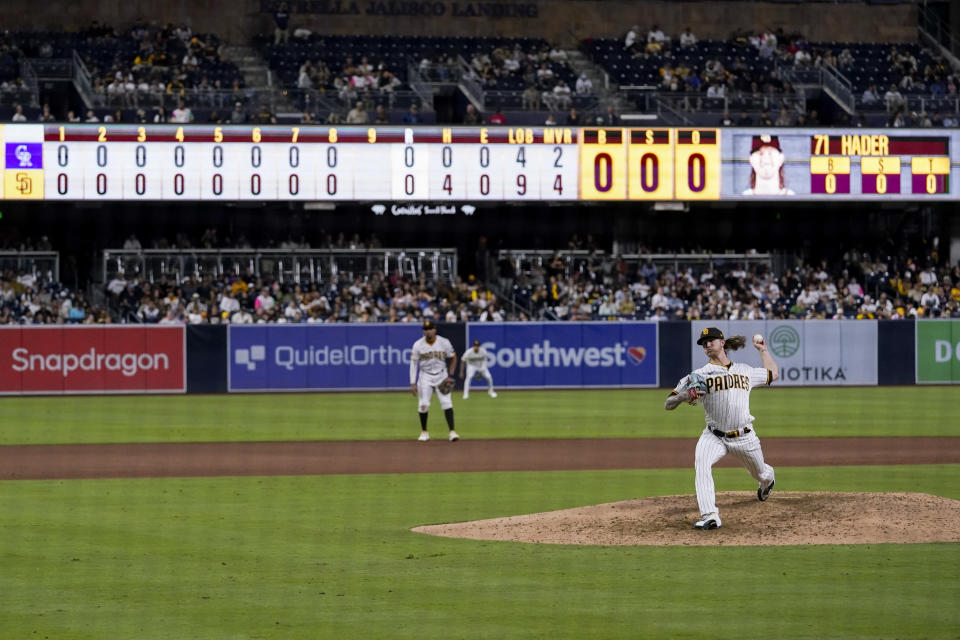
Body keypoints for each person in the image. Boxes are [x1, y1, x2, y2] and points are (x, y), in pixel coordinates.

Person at [664, 327, 779, 530]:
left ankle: (768, 480)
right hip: (714, 435)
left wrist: (762, 350)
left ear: (722, 343)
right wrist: (683, 396)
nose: (707, 344)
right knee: (702, 462)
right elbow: (668, 403)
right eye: (703, 343)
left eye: (711, 340)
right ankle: (710, 515)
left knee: (761, 473)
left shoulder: (744, 370)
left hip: (744, 437)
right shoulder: (698, 375)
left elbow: (773, 374)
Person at [410, 320, 459, 442]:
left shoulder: (444, 342)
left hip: (442, 375)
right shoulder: (418, 344)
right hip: (425, 376)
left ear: (434, 330)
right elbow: (414, 363)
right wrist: (412, 382)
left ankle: (452, 432)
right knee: (423, 404)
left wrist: (451, 376)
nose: (427, 331)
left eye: (430, 329)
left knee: (447, 403)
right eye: (425, 329)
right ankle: (424, 432)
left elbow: (453, 358)